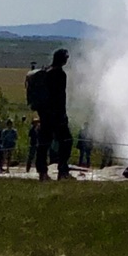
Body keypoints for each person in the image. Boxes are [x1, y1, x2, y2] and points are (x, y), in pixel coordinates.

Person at [27, 48, 75, 181]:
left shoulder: (46, 71)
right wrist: (62, 114)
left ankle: (42, 172)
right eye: (66, 57)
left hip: (44, 114)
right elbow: (60, 96)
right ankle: (63, 171)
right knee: (66, 141)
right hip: (56, 114)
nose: (67, 60)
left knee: (44, 143)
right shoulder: (59, 74)